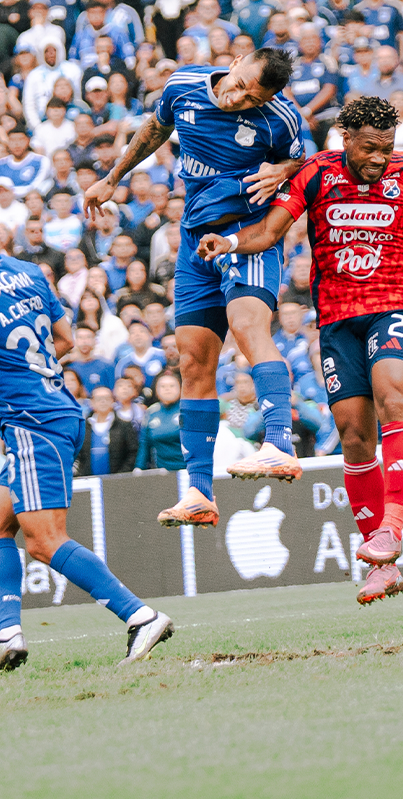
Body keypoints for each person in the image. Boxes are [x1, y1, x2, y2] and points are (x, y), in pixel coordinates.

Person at [197, 96, 403, 604]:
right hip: (337, 320)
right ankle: (381, 567)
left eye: (386, 148)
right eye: (369, 148)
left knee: (394, 400)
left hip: (392, 306)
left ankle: (391, 529)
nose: (379, 158)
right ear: (347, 139)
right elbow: (271, 231)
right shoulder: (317, 174)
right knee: (354, 436)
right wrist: (229, 244)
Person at [0, 190, 174, 673]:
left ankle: (141, 616)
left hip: (32, 423)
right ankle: (9, 634)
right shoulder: (26, 271)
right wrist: (3, 381)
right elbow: (64, 340)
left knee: (43, 541)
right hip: (53, 407)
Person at [85, 48, 306, 530]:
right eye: (242, 85)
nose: (240, 98)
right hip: (194, 239)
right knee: (192, 361)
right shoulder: (183, 85)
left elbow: (304, 163)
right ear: (237, 61)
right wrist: (113, 178)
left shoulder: (280, 118)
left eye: (254, 98)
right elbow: (155, 128)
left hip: (246, 233)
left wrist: (286, 170)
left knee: (247, 328)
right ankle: (200, 493)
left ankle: (278, 444)